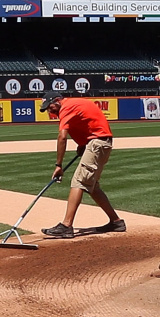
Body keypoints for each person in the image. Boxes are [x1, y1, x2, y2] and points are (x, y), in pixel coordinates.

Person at [41, 94, 123, 239]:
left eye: (50, 107)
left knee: (78, 182)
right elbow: (88, 122)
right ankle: (116, 222)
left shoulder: (66, 108)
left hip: (97, 143)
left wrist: (58, 165)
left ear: (57, 101)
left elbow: (62, 137)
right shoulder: (73, 104)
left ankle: (66, 226)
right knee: (92, 187)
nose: (50, 111)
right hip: (99, 142)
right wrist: (83, 145)